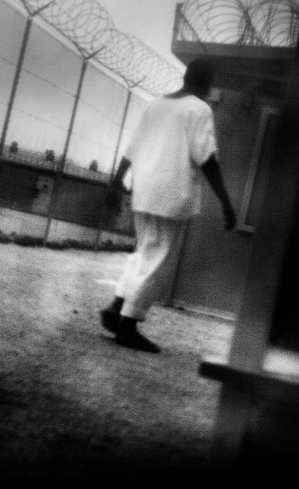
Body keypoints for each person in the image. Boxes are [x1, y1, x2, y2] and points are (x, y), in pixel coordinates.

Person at [99, 58, 236, 353]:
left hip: (144, 188)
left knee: (144, 252)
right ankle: (128, 325)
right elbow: (207, 158)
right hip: (171, 192)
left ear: (186, 76)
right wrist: (225, 201)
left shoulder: (158, 104)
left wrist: (115, 182)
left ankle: (116, 307)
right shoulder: (199, 108)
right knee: (158, 259)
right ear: (208, 81)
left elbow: (132, 147)